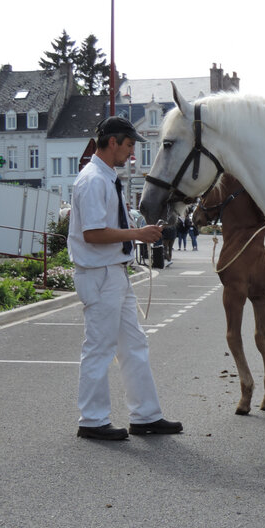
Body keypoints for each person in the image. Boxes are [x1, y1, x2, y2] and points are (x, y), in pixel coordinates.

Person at [68, 116, 183, 440]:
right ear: (113, 142)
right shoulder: (93, 180)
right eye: (129, 145)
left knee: (133, 346)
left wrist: (138, 235)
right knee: (100, 348)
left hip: (112, 272)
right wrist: (138, 233)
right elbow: (92, 233)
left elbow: (100, 230)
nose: (132, 153)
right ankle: (92, 420)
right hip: (100, 273)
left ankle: (145, 415)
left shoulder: (104, 177)